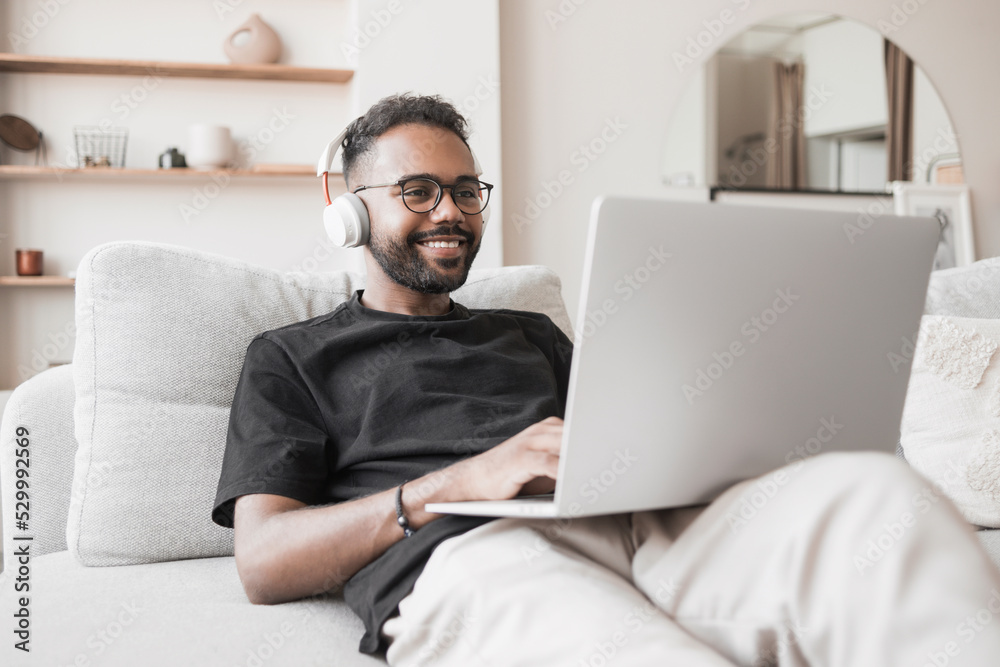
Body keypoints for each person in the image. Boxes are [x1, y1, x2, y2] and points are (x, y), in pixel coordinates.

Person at [212, 93, 1000, 666]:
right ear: (347, 211)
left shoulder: (531, 333)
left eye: (464, 190)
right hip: (470, 560)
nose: (448, 210)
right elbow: (265, 560)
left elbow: (634, 442)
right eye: (417, 191)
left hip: (638, 532)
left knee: (874, 497)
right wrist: (466, 480)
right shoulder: (291, 356)